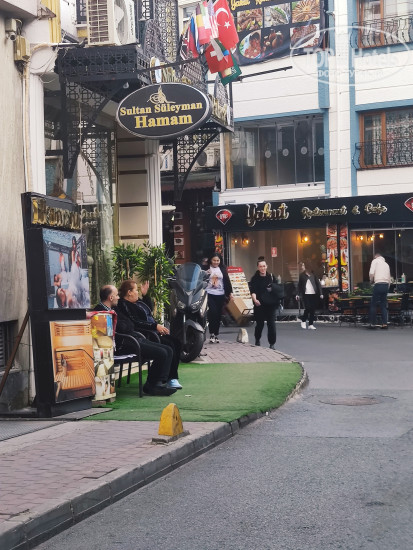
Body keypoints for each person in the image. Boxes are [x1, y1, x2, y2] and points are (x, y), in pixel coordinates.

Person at [116, 280, 182, 391]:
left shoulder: (137, 302)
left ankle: (171, 377)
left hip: (152, 332)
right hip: (145, 334)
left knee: (176, 342)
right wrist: (154, 326)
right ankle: (165, 379)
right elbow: (135, 322)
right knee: (169, 345)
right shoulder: (124, 304)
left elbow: (148, 310)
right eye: (136, 290)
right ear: (129, 292)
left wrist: (145, 295)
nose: (137, 292)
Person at [205, 253, 233, 343]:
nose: (216, 262)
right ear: (210, 260)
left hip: (220, 294)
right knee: (212, 313)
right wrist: (205, 274)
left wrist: (230, 293)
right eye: (214, 260)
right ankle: (212, 333)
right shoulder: (206, 268)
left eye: (218, 260)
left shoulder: (222, 269)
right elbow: (200, 279)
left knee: (218, 314)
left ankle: (216, 334)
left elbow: (227, 281)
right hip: (209, 293)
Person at [250, 259, 277, 349]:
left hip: (271, 305)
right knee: (260, 324)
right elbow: (253, 291)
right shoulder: (255, 278)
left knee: (271, 324)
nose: (262, 268)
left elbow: (277, 289)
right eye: (260, 266)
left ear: (267, 266)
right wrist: (255, 300)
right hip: (259, 304)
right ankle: (257, 339)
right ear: (258, 267)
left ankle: (272, 344)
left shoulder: (271, 277)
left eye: (264, 266)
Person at [296, 261, 323, 330]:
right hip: (305, 294)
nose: (302, 267)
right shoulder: (302, 275)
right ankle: (303, 320)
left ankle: (311, 324)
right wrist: (297, 294)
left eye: (303, 266)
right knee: (307, 308)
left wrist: (321, 293)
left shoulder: (313, 274)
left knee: (312, 309)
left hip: (313, 294)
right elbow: (299, 286)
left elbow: (318, 284)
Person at [369, 253, 391, 329]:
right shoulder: (386, 264)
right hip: (385, 285)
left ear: (376, 257)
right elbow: (389, 277)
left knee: (373, 304)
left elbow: (371, 273)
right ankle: (385, 324)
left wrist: (371, 281)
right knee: (383, 305)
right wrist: (388, 287)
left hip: (378, 284)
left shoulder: (375, 261)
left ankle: (373, 323)